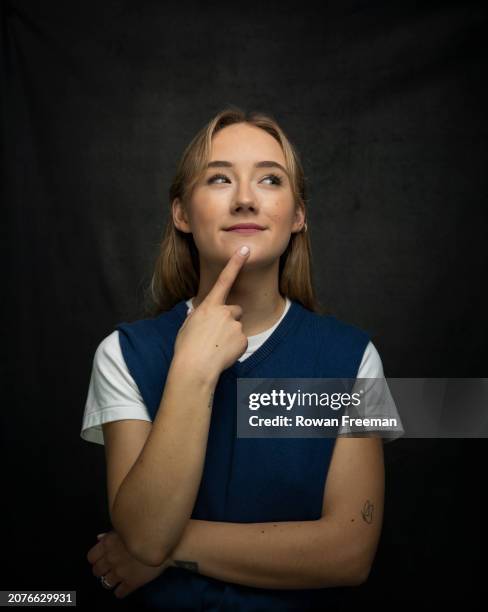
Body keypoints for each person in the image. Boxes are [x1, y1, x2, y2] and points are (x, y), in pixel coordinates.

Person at [82, 107, 402, 610]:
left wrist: (165, 550)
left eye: (270, 180)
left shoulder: (353, 358)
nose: (246, 199)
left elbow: (349, 552)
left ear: (298, 215)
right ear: (182, 213)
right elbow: (145, 530)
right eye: (219, 179)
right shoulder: (123, 353)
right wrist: (192, 367)